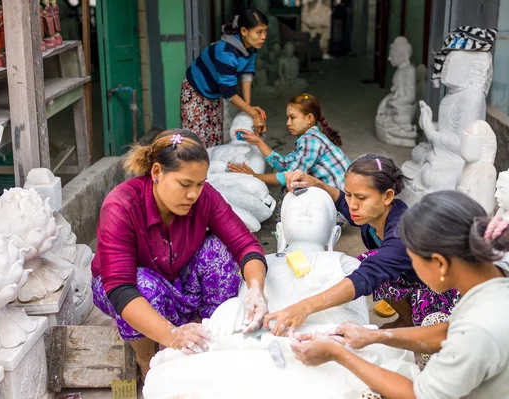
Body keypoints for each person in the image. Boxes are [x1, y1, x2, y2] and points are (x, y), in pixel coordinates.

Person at [291, 190, 509, 399]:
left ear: (440, 263)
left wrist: (338, 354)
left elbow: (418, 395)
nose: (412, 269)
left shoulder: (480, 330)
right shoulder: (505, 269)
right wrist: (374, 336)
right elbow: (449, 331)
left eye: (414, 261)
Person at [91, 130, 268, 377]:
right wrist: (171, 336)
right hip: (124, 288)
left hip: (178, 276)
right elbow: (120, 287)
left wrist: (256, 289)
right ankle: (146, 361)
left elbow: (245, 244)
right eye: (185, 184)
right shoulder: (122, 204)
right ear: (156, 173)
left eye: (199, 184)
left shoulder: (203, 198)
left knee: (217, 250)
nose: (193, 194)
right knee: (144, 287)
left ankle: (210, 337)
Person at [263, 154, 459, 335]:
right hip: (412, 276)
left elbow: (366, 277)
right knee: (371, 261)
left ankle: (418, 323)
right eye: (350, 194)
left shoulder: (402, 233)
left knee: (369, 264)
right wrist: (316, 183)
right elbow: (340, 201)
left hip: (441, 289)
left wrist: (304, 308)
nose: (352, 205)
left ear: (388, 196)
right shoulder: (372, 215)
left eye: (361, 198)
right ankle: (406, 318)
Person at [182, 8, 268, 148]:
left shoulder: (251, 47)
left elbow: (247, 73)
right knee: (195, 140)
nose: (263, 36)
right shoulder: (226, 52)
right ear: (244, 31)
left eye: (265, 31)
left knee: (214, 136)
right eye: (259, 32)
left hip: (215, 91)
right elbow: (229, 93)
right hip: (195, 89)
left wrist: (248, 106)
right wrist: (253, 113)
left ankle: (209, 168)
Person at [228, 93, 351, 191]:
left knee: (291, 188)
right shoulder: (308, 138)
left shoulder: (311, 141)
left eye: (292, 117)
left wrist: (255, 176)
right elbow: (285, 165)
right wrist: (258, 142)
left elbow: (290, 175)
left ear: (309, 119)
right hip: (340, 197)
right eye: (288, 118)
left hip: (342, 204)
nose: (288, 123)